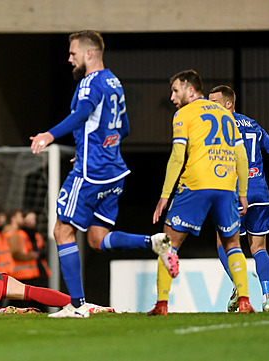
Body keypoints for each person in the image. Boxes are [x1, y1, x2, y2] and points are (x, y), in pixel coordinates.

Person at [29, 30, 176, 318]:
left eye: (73, 53)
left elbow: (82, 114)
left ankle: (77, 305)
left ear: (89, 54)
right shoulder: (114, 81)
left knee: (62, 230)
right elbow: (124, 128)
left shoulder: (89, 83)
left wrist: (50, 134)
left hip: (91, 171)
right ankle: (154, 242)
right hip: (114, 170)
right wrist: (90, 146)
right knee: (97, 239)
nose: (69, 58)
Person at [148, 70, 255, 316]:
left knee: (168, 241)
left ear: (190, 89)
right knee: (233, 243)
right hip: (226, 185)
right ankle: (245, 301)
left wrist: (165, 195)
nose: (172, 97)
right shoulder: (225, 114)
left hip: (196, 183)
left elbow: (177, 157)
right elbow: (241, 154)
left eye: (176, 90)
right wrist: (242, 192)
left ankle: (162, 304)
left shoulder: (183, 114)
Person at [208, 85, 269, 312]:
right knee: (259, 248)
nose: (211, 108)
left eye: (215, 103)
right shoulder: (253, 125)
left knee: (224, 243)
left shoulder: (219, 126)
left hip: (235, 194)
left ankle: (240, 288)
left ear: (229, 104)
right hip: (260, 193)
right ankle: (267, 298)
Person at [3, 210, 52, 311]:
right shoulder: (17, 234)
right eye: (28, 218)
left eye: (33, 219)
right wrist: (30, 256)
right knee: (20, 302)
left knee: (36, 301)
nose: (31, 221)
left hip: (36, 272)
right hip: (21, 274)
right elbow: (15, 253)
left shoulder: (36, 236)